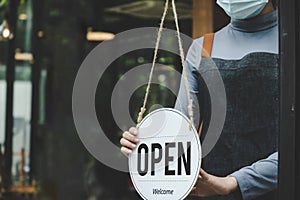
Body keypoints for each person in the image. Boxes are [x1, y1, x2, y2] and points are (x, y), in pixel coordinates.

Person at [120, 0, 279, 199]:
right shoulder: (202, 47)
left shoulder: (292, 43)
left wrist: (234, 182)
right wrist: (147, 148)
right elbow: (181, 134)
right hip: (207, 190)